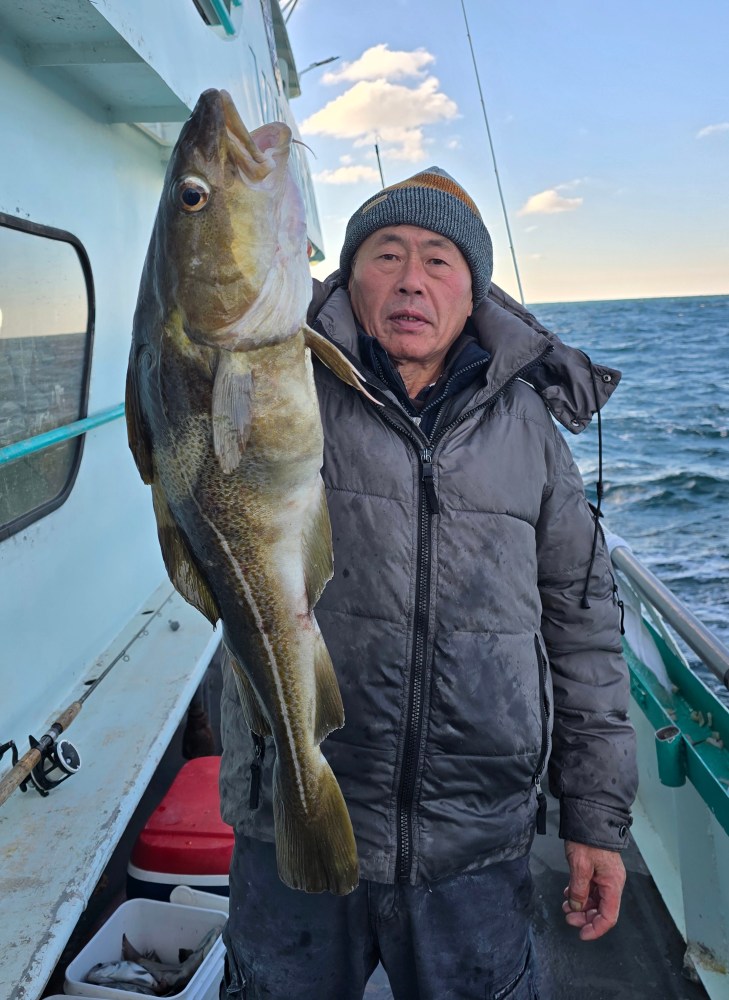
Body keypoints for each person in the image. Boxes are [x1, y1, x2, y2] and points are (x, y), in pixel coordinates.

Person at [218, 167, 638, 1000]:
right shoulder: (276, 386)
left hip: (474, 842)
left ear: (472, 289)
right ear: (346, 275)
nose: (411, 278)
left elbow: (582, 626)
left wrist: (593, 819)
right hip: (293, 821)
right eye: (387, 254)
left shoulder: (533, 433)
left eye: (439, 260)